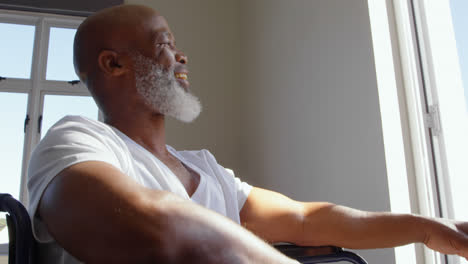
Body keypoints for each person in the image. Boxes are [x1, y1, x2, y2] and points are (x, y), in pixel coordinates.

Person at [27, 4, 468, 264]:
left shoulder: (205, 168)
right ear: (114, 64)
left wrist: (427, 228)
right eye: (163, 44)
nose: (181, 56)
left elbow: (307, 219)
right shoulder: (76, 141)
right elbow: (162, 229)